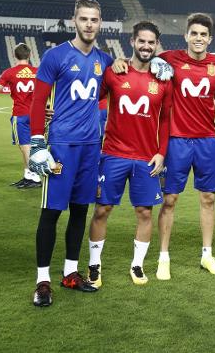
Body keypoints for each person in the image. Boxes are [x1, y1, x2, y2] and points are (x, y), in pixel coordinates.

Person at [113, 13, 215, 279]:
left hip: (207, 139)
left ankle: (207, 255)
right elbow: (140, 59)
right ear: (186, 35)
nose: (198, 39)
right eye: (194, 34)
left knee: (208, 198)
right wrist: (118, 61)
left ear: (210, 39)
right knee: (170, 199)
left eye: (203, 35)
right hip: (177, 140)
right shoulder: (169, 59)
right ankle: (164, 257)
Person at [28, 0, 112, 307]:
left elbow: (123, 79)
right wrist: (38, 142)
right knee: (51, 212)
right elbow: (38, 101)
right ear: (74, 20)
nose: (89, 24)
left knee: (79, 211)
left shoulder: (105, 60)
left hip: (91, 147)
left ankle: (70, 273)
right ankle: (42, 280)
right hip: (62, 146)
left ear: (99, 23)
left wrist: (158, 62)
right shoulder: (56, 55)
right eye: (84, 19)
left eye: (94, 19)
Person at [86, 21, 172, 287]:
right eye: (141, 41)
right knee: (102, 210)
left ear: (156, 45)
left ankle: (137, 265)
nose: (146, 46)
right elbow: (91, 98)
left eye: (151, 42)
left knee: (145, 212)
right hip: (113, 154)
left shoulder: (163, 80)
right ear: (132, 42)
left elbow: (166, 119)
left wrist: (161, 153)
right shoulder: (114, 73)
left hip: (146, 158)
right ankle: (94, 266)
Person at [0, 43, 41, 188]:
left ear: (15, 55)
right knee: (32, 145)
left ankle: (34, 177)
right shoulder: (38, 71)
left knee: (25, 146)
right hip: (37, 114)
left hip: (20, 114)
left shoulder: (9, 72)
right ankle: (28, 175)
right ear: (29, 55)